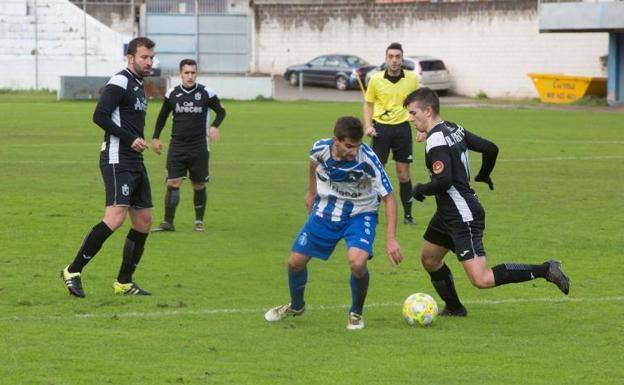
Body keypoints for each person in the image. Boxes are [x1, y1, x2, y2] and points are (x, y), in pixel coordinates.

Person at [404, 87, 570, 316]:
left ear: (428, 111)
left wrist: (421, 189)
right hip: (447, 212)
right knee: (429, 259)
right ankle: (454, 308)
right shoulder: (453, 128)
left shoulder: (437, 141)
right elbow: (490, 148)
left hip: (463, 214)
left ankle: (546, 269)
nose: (410, 119)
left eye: (413, 113)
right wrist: (484, 174)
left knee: (481, 279)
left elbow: (444, 181)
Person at [264, 116, 403, 330]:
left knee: (357, 262)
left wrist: (391, 239)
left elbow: (390, 197)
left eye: (357, 146)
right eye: (349, 146)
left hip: (360, 214)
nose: (354, 151)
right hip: (326, 212)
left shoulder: (368, 160)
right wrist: (311, 191)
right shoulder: (320, 148)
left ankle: (356, 312)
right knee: (294, 263)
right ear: (335, 140)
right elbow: (312, 163)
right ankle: (296, 306)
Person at [60, 37, 156, 297]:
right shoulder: (121, 80)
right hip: (117, 157)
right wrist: (129, 139)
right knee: (115, 218)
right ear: (130, 58)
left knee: (144, 220)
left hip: (135, 160)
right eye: (144, 57)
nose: (149, 62)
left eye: (151, 57)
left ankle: (124, 282)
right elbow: (99, 115)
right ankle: (73, 270)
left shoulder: (139, 84)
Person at [151, 59, 226, 233]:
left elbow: (221, 111)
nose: (190, 76)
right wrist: (155, 137)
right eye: (186, 73)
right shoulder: (172, 94)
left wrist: (214, 125)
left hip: (199, 146)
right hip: (177, 146)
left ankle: (199, 221)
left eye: (193, 73)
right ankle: (168, 222)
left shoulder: (206, 92)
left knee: (198, 184)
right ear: (180, 74)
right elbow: (162, 117)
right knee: (173, 182)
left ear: (196, 73)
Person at [364, 42, 419, 225]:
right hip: (381, 130)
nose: (394, 60)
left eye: (397, 57)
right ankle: (373, 213)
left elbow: (417, 104)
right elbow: (368, 103)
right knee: (378, 173)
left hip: (403, 129)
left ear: (402, 58)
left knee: (403, 174)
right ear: (386, 58)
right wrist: (367, 125)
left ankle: (408, 215)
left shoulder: (412, 79)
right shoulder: (376, 79)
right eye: (391, 57)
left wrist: (421, 127)